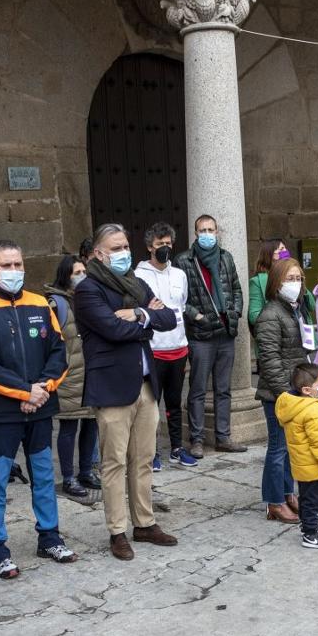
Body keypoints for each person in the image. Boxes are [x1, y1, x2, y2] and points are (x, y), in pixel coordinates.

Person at [0, 241, 74, 577]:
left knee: (43, 476)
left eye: (18, 264)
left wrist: (41, 389)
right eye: (6, 265)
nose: (14, 271)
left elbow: (59, 352)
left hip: (40, 406)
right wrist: (24, 391)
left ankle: (50, 537)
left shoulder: (40, 303)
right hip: (2, 412)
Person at [75, 224, 179, 560]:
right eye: (116, 248)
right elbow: (111, 329)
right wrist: (146, 324)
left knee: (143, 459)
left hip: (145, 385)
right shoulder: (88, 289)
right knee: (114, 462)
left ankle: (144, 523)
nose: (124, 253)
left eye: (125, 246)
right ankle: (117, 531)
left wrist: (139, 313)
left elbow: (169, 318)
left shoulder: (136, 283)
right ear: (99, 254)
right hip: (112, 386)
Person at [175, 214, 247, 458]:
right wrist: (197, 316)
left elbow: (236, 288)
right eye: (202, 230)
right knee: (197, 390)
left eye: (211, 230)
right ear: (196, 233)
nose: (207, 234)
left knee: (223, 389)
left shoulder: (226, 257)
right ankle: (196, 440)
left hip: (226, 333)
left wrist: (235, 311)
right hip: (201, 335)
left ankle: (223, 437)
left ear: (217, 232)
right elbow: (178, 299)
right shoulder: (184, 260)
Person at [253, 257, 313, 524]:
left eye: (299, 278)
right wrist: (285, 394)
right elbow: (269, 360)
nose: (296, 283)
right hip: (279, 394)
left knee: (290, 447)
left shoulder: (296, 310)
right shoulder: (270, 315)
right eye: (290, 278)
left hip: (295, 390)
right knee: (278, 449)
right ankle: (274, 501)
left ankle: (288, 493)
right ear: (277, 282)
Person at [135, 222, 196, 468]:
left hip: (178, 347)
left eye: (168, 243)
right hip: (154, 349)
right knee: (151, 405)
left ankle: (177, 448)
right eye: (160, 244)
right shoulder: (139, 276)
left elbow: (182, 304)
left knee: (174, 402)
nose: (165, 248)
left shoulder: (179, 274)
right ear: (150, 246)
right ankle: (151, 453)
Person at [45, 255, 101, 500]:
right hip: (70, 376)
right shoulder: (55, 303)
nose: (82, 276)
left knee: (91, 424)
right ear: (65, 276)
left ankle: (86, 471)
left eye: (84, 272)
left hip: (92, 373)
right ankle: (68, 477)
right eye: (76, 272)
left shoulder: (90, 298)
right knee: (68, 427)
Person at [275, 362, 318, 550]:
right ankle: (310, 534)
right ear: (307, 390)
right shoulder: (313, 410)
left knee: (306, 496)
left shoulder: (295, 405)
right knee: (314, 499)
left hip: (302, 463)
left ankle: (309, 525)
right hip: (313, 464)